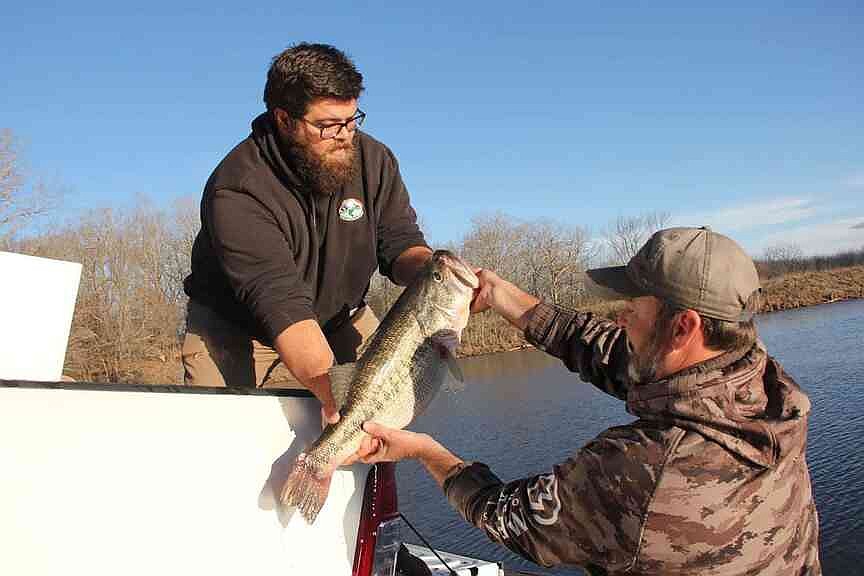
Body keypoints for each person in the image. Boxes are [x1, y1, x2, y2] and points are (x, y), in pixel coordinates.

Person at [357, 227, 821, 575]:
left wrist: (424, 450)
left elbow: (511, 519)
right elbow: (609, 351)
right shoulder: (765, 383)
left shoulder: (643, 469)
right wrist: (505, 299)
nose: (620, 318)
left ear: (684, 328)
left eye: (634, 309)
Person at [182, 43, 432, 424]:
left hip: (339, 316)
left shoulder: (375, 160)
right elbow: (279, 300)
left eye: (352, 120)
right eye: (328, 125)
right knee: (219, 429)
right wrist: (338, 401)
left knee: (384, 413)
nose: (346, 135)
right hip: (236, 325)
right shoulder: (237, 188)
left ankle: (370, 480)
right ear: (284, 120)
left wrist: (438, 274)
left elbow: (399, 242)